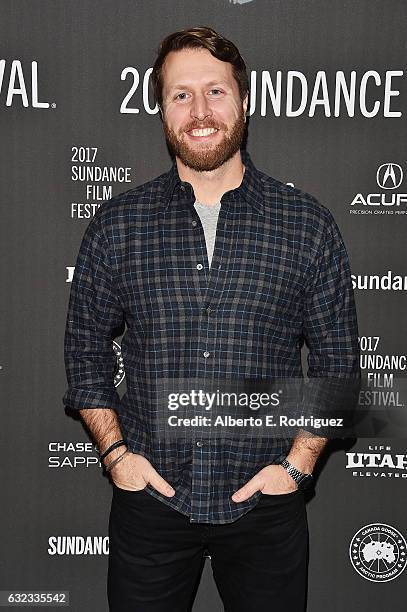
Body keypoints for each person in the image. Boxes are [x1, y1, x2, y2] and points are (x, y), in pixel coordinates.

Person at [63, 26, 361, 612]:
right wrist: (118, 456)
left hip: (264, 509)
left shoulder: (306, 225)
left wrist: (296, 470)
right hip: (151, 505)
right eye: (181, 95)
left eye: (216, 92)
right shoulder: (120, 225)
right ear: (162, 110)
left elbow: (339, 365)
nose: (200, 111)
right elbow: (84, 351)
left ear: (244, 101)